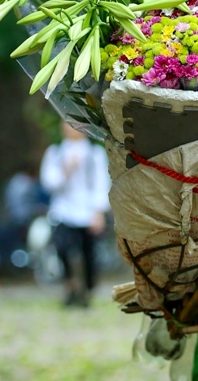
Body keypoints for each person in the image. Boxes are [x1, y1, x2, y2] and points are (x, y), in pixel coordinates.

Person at [40, 122, 111, 307]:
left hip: (87, 212)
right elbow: (49, 182)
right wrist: (66, 170)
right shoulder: (55, 152)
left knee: (89, 253)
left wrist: (98, 213)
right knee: (62, 248)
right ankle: (70, 285)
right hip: (63, 211)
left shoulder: (94, 154)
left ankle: (87, 289)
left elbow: (101, 184)